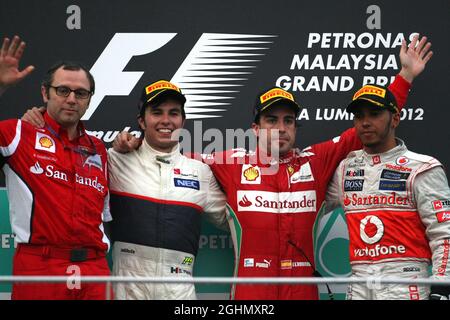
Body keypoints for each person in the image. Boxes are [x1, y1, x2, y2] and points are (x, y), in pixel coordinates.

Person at [112, 35, 432, 300]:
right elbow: (168, 153)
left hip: (302, 293)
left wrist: (404, 79)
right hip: (251, 297)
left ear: (295, 127)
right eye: (271, 120)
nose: (280, 128)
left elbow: (366, 128)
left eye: (288, 121)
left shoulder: (315, 162)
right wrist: (134, 143)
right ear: (254, 127)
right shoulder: (229, 163)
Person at [0, 35, 112, 300]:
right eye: (63, 90)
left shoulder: (99, 149)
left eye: (81, 93)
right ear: (44, 92)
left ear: (89, 99)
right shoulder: (17, 132)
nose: (72, 99)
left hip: (94, 268)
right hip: (40, 264)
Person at [324, 84, 450, 300]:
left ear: (395, 119)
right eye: (359, 116)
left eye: (374, 114)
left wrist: (442, 287)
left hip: (405, 283)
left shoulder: (422, 168)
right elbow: (309, 201)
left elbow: (445, 233)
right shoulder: (346, 168)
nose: (365, 122)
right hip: (359, 285)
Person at [107, 80, 228, 299]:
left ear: (183, 121)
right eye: (157, 112)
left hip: (179, 292)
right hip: (127, 291)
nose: (166, 121)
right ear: (142, 121)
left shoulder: (200, 172)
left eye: (173, 113)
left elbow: (239, 223)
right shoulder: (115, 161)